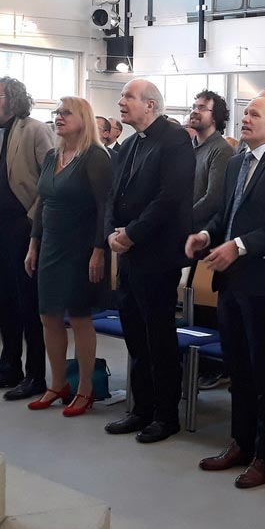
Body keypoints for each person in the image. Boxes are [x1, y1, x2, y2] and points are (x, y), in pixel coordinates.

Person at [187, 96, 265, 488]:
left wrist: (238, 246)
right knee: (237, 367)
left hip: (263, 282)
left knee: (263, 370)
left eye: (255, 114)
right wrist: (207, 235)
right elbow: (227, 214)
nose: (246, 118)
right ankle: (241, 442)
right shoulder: (237, 162)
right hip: (232, 281)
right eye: (246, 113)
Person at [104, 79, 195, 443]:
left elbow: (170, 198)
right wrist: (111, 232)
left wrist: (131, 234)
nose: (121, 102)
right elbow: (112, 195)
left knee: (158, 337)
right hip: (129, 254)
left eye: (128, 97)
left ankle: (165, 415)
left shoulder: (174, 140)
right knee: (134, 335)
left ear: (151, 105)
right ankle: (140, 408)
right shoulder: (128, 144)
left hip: (157, 254)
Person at [24, 97, 112, 412]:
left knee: (78, 316)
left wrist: (98, 251)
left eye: (66, 113)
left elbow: (104, 208)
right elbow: (43, 203)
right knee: (48, 315)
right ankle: (57, 383)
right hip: (51, 245)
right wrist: (33, 244)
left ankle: (85, 388)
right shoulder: (52, 155)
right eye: (57, 113)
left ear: (83, 119)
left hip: (81, 247)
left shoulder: (95, 157)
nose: (59, 117)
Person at [0, 77, 55, 400]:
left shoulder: (35, 129)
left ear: (13, 99)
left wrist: (32, 220)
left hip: (25, 229)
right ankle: (9, 368)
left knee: (28, 304)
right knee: (5, 301)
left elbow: (50, 179)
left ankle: (35, 375)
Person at [190, 90, 233, 235]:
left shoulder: (222, 150)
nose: (195, 111)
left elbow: (213, 199)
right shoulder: (188, 147)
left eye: (202, 108)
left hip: (201, 233)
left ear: (215, 116)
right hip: (181, 228)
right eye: (194, 107)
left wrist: (181, 220)